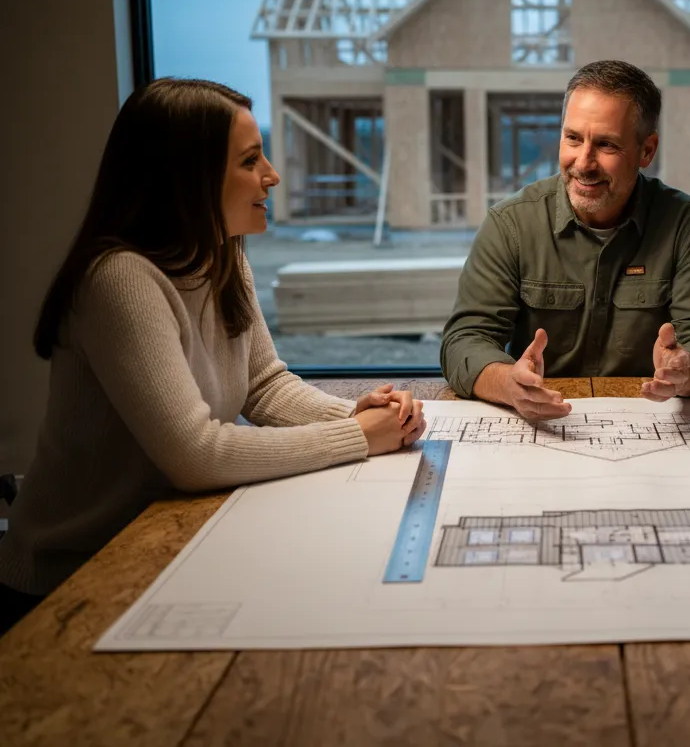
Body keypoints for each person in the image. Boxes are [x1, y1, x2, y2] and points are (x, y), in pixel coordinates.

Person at [0, 78, 427, 634]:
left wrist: (355, 413)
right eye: (251, 160)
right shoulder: (120, 280)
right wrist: (358, 437)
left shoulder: (222, 256)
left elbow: (264, 384)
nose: (271, 175)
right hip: (70, 583)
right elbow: (196, 454)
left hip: (158, 551)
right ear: (187, 177)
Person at [441, 60, 690, 420]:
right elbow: (464, 340)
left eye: (606, 145)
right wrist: (508, 383)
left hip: (650, 423)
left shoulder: (687, 225)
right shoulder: (510, 225)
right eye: (573, 138)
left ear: (647, 150)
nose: (583, 163)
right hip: (542, 424)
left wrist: (684, 369)